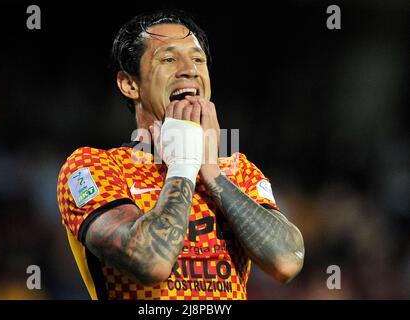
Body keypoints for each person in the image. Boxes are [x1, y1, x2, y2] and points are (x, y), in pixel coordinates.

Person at [56, 9, 304, 300]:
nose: (190, 69)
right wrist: (183, 166)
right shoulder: (95, 167)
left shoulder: (238, 172)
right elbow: (151, 261)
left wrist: (211, 173)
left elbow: (286, 262)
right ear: (129, 84)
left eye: (198, 59)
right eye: (169, 59)